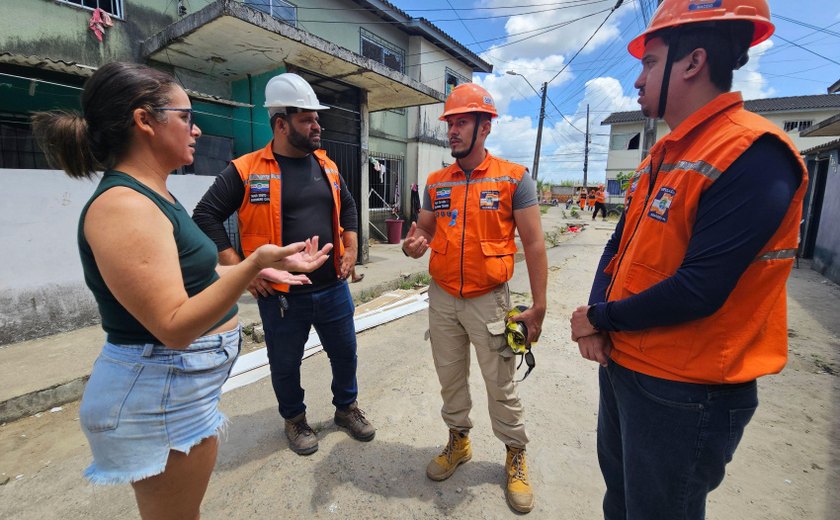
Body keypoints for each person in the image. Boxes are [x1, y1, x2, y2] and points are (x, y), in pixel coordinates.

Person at [30, 62, 331, 520]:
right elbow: (172, 326)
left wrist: (266, 267)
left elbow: (189, 278)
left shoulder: (156, 193)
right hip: (160, 389)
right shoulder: (124, 206)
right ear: (144, 120)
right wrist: (251, 263)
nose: (197, 127)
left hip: (179, 388)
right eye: (186, 115)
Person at [569, 1, 808, 518]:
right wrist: (594, 321)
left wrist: (600, 318)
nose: (637, 80)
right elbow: (618, 248)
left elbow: (700, 288)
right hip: (628, 367)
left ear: (693, 61)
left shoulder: (753, 153)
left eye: (650, 62)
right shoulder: (664, 155)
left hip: (686, 392)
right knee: (624, 501)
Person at [192, 72, 375, 456]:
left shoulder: (326, 165)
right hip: (281, 295)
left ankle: (346, 408)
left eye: (316, 118)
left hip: (332, 287)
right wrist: (243, 269)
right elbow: (205, 215)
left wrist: (352, 246)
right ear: (280, 124)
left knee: (345, 353)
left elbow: (351, 207)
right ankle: (294, 419)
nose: (317, 126)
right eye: (307, 119)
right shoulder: (245, 170)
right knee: (285, 362)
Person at [401, 83, 547, 513]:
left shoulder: (513, 178)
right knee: (450, 378)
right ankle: (458, 441)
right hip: (442, 297)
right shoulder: (436, 182)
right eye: (450, 123)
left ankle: (515, 453)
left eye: (461, 122)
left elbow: (535, 244)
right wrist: (415, 242)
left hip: (490, 300)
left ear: (485, 127)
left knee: (500, 385)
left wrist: (539, 307)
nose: (452, 131)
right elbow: (424, 229)